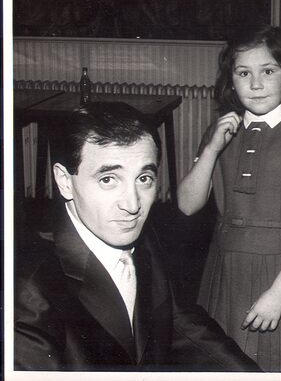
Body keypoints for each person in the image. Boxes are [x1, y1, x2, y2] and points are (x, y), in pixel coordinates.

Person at [14, 102, 260, 372]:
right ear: (64, 181)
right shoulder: (29, 291)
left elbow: (182, 325)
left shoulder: (142, 238)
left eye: (144, 178)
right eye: (108, 179)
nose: (132, 206)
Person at [177, 24, 281, 371]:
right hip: (225, 267)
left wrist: (279, 294)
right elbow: (187, 205)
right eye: (243, 73)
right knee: (223, 363)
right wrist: (212, 149)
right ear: (231, 81)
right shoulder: (220, 132)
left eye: (268, 71)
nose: (256, 84)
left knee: (276, 363)